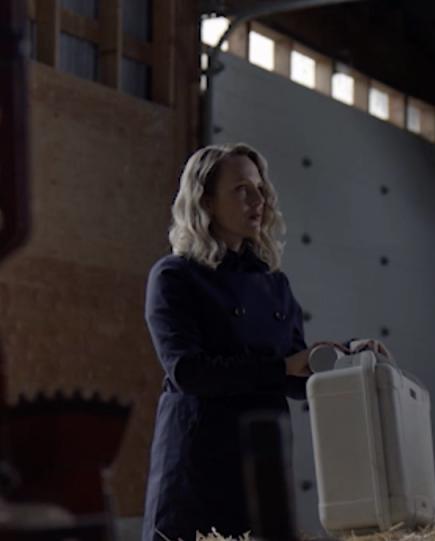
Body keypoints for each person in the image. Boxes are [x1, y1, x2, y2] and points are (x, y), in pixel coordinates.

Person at [141, 143, 346, 540]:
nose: (259, 200)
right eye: (241, 190)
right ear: (205, 201)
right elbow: (188, 371)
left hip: (262, 465)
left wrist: (345, 360)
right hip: (198, 469)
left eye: (260, 188)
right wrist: (281, 367)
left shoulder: (274, 283)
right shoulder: (174, 276)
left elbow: (294, 376)